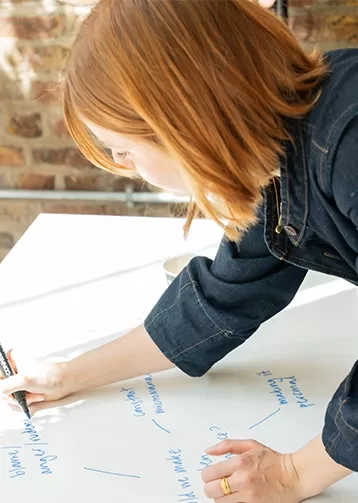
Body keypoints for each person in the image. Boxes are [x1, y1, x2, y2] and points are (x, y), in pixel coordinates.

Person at [1, 0, 357, 501]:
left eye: (120, 147)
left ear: (177, 117)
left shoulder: (347, 142)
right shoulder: (280, 159)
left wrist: (295, 473)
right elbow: (220, 302)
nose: (121, 163)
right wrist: (66, 375)